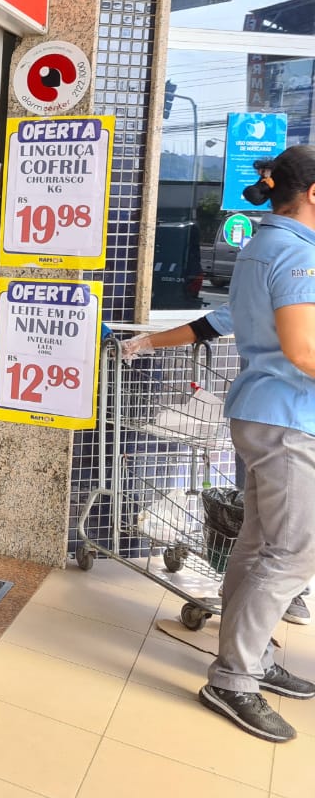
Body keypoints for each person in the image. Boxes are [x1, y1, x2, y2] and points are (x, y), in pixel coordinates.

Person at [198, 146, 315, 743]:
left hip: (261, 411)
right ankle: (234, 677)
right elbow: (302, 349)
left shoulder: (261, 244)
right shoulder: (297, 253)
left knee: (260, 541)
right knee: (293, 552)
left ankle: (250, 661)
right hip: (288, 416)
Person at [123, 308, 311, 626]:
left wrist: (145, 343)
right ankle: (259, 613)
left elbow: (211, 324)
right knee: (275, 529)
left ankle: (255, 606)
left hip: (268, 418)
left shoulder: (268, 286)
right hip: (279, 421)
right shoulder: (283, 287)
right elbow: (212, 324)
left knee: (262, 526)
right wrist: (145, 343)